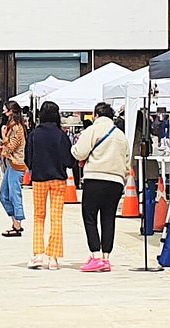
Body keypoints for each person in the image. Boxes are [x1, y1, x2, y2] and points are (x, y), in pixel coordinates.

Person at [71, 102, 130, 271]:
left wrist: (74, 150)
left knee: (89, 216)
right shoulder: (120, 135)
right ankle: (106, 257)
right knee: (108, 218)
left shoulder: (92, 131)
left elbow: (80, 152)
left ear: (96, 115)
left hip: (95, 178)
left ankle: (95, 255)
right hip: (116, 182)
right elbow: (127, 162)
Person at [25, 100, 73, 270]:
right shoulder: (61, 135)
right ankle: (53, 257)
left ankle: (38, 254)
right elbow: (69, 159)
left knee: (39, 216)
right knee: (56, 216)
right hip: (58, 179)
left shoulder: (34, 134)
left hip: (39, 178)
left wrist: (34, 167)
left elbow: (28, 159)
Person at [0, 101, 28, 238]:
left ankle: (17, 224)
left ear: (10, 111)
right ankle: (16, 221)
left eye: (5, 109)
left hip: (16, 164)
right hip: (11, 163)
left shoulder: (17, 128)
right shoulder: (13, 126)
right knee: (4, 195)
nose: (3, 111)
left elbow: (12, 146)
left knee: (14, 194)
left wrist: (4, 137)